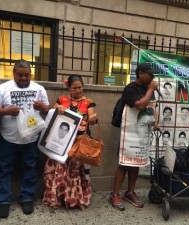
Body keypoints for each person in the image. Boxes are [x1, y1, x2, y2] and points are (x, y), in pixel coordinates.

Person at [0, 60, 50, 218]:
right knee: (4, 170)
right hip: (8, 139)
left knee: (30, 169)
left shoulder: (39, 89)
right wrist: (6, 111)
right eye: (20, 75)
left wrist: (43, 108)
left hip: (31, 139)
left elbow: (48, 110)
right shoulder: (2, 88)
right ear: (14, 74)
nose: (24, 78)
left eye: (27, 75)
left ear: (30, 74)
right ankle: (3, 201)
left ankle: (26, 198)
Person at [42, 74, 98, 211]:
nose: (78, 91)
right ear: (69, 88)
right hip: (61, 141)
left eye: (80, 88)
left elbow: (92, 117)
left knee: (75, 172)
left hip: (79, 143)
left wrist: (92, 119)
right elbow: (50, 113)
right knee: (58, 170)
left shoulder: (88, 102)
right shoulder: (62, 100)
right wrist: (57, 108)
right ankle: (58, 198)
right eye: (74, 88)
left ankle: (75, 199)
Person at [109, 62, 158, 211]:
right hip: (129, 133)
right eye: (149, 74)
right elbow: (141, 105)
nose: (151, 77)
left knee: (136, 163)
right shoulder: (130, 89)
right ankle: (115, 195)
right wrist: (150, 89)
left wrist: (155, 121)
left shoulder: (149, 89)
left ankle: (129, 192)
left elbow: (151, 106)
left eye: (152, 75)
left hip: (142, 132)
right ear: (140, 73)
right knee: (124, 163)